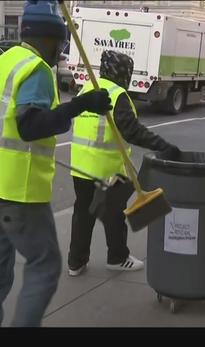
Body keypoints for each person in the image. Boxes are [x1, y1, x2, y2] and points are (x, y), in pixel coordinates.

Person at [0, 0, 112, 327]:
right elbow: (29, 127)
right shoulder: (37, 69)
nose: (60, 51)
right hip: (17, 193)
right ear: (47, 38)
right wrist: (81, 104)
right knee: (44, 264)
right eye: (59, 43)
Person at [68, 50, 180, 276]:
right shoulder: (116, 94)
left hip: (80, 166)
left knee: (83, 213)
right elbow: (133, 131)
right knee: (114, 213)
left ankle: (75, 262)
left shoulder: (88, 88)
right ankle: (117, 257)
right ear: (123, 73)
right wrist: (163, 146)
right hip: (106, 169)